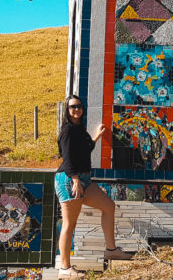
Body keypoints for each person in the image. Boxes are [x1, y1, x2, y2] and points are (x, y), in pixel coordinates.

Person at [56, 94, 134, 278]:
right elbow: (67, 158)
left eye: (79, 106)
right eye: (73, 107)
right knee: (69, 224)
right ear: (67, 110)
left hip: (83, 179)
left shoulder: (79, 130)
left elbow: (85, 149)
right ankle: (65, 269)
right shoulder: (67, 130)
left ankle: (111, 250)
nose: (77, 110)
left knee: (108, 206)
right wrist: (75, 180)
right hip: (69, 178)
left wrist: (97, 137)